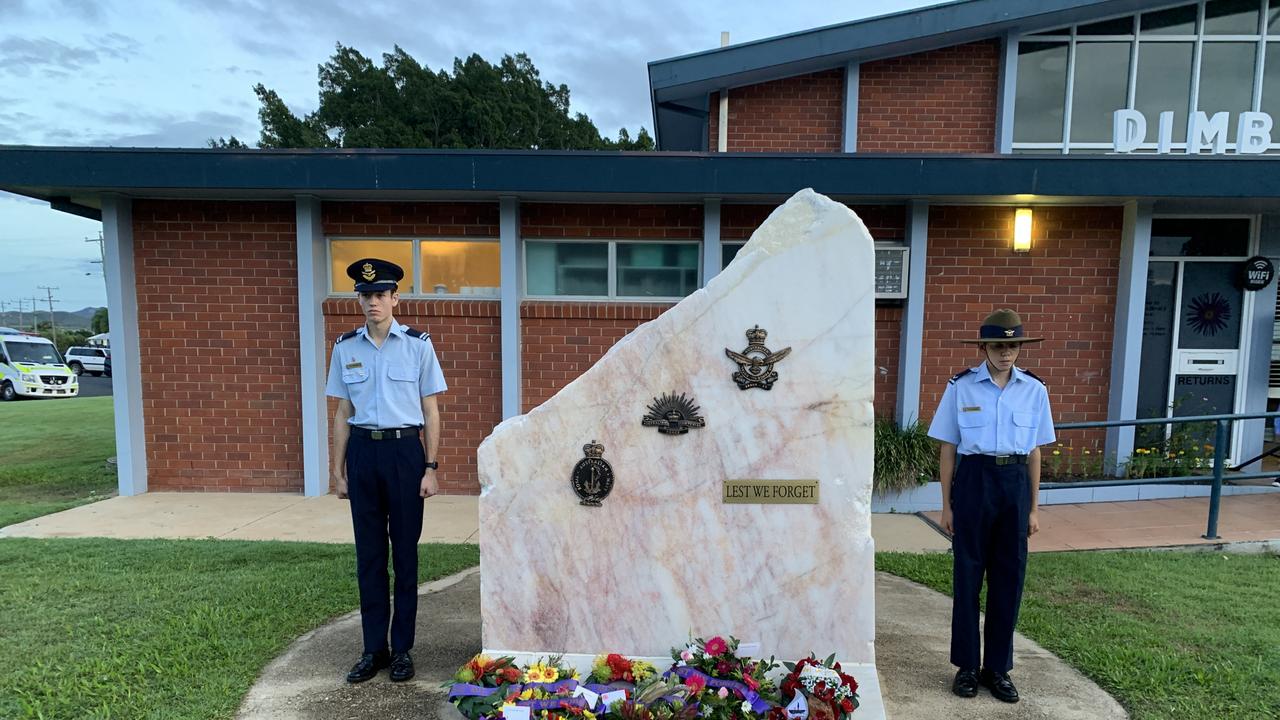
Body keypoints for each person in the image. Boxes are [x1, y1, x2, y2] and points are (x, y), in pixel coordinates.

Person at [326, 257, 447, 684]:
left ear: (395, 298)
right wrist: (337, 471)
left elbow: (431, 412)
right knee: (370, 558)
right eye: (365, 295)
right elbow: (342, 411)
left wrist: (430, 467)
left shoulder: (417, 345)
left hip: (403, 456)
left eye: (380, 295)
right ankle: (373, 649)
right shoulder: (345, 347)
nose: (372, 302)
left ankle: (402, 650)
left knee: (406, 556)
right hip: (362, 454)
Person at [926, 308, 1054, 704]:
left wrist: (1032, 508)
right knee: (967, 576)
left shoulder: (1034, 390)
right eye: (998, 345)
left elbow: (1034, 453)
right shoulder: (961, 387)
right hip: (975, 482)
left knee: (1008, 579)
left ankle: (997, 668)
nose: (1005, 353)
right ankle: (966, 666)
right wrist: (946, 505)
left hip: (1014, 483)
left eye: (1013, 345)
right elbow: (948, 449)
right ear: (984, 346)